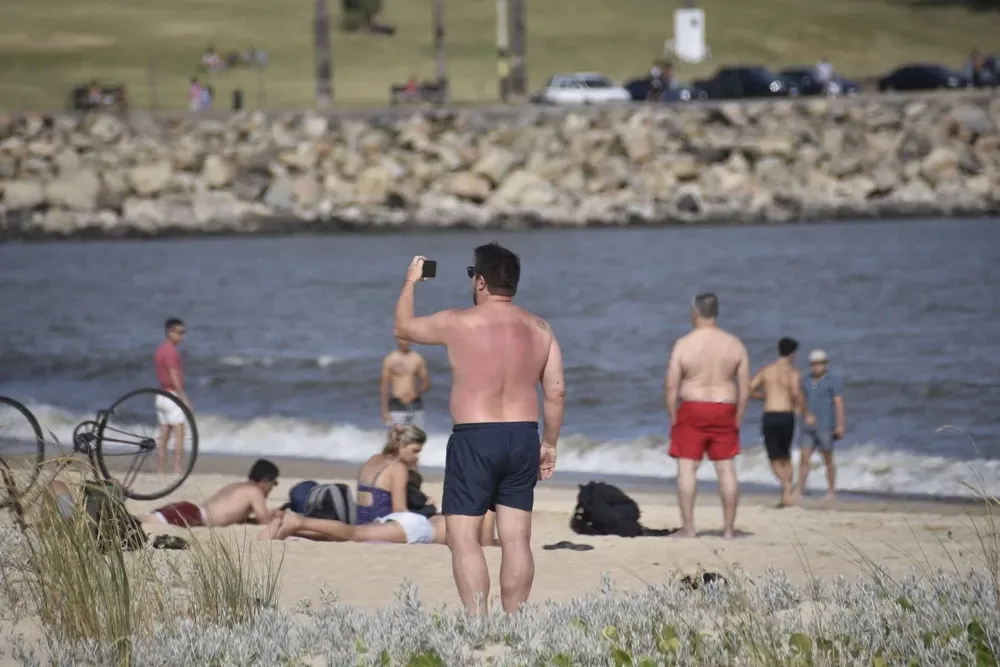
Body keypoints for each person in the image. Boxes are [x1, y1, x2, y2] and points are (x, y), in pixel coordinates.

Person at [392, 243, 565, 615]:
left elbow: (402, 327)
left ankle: (477, 620)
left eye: (473, 275)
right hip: (522, 435)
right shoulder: (540, 328)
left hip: (475, 437)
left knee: (464, 536)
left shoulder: (460, 321)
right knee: (517, 538)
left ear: (482, 281)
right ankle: (515, 620)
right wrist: (549, 443)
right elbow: (556, 391)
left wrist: (411, 281)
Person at [262, 426, 496, 545]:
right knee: (352, 535)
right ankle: (297, 522)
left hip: (363, 515)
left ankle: (290, 525)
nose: (417, 458)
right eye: (415, 451)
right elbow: (399, 510)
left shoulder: (373, 460)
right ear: (401, 447)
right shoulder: (398, 469)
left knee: (347, 535)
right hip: (392, 520)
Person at [665, 293, 749, 539]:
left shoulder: (684, 344)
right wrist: (738, 419)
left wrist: (673, 419)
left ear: (695, 312)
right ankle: (729, 529)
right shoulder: (734, 344)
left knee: (687, 468)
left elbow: (671, 387)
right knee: (726, 468)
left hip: (692, 407)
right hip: (724, 407)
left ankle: (689, 528)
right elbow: (744, 390)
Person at [139, 459, 281, 528]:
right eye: (273, 483)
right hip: (192, 517)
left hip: (189, 511)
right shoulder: (255, 491)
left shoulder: (237, 486)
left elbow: (235, 515)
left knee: (141, 520)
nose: (272, 488)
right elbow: (265, 521)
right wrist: (279, 517)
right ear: (265, 480)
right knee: (138, 522)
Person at [749, 337, 804, 507]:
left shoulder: (767, 370)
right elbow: (795, 392)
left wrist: (763, 396)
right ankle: (787, 492)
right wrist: (802, 408)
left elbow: (749, 387)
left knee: (773, 456)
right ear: (792, 353)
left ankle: (786, 486)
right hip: (787, 414)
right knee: (785, 455)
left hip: (771, 414)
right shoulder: (794, 373)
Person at [799, 350, 845, 501]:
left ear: (826, 364)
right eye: (813, 364)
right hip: (807, 426)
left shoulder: (832, 380)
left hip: (826, 425)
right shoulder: (805, 380)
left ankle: (831, 491)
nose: (816, 367)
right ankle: (801, 489)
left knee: (827, 458)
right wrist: (804, 414)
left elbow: (838, 402)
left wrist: (840, 425)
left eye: (819, 363)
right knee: (804, 457)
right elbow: (801, 400)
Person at [154, 318, 191, 475]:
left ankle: (161, 468)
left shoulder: (160, 350)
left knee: (164, 432)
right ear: (170, 332)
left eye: (183, 333)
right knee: (179, 431)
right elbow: (173, 374)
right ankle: (177, 468)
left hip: (161, 394)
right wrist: (183, 398)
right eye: (179, 333)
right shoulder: (170, 352)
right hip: (171, 394)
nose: (182, 337)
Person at [380, 338, 431, 428]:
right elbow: (384, 386)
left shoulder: (417, 358)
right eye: (402, 340)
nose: (405, 343)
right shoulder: (390, 359)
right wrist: (384, 411)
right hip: (397, 405)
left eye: (407, 340)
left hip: (415, 404)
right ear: (397, 341)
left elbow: (426, 382)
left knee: (416, 437)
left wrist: (417, 393)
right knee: (397, 438)